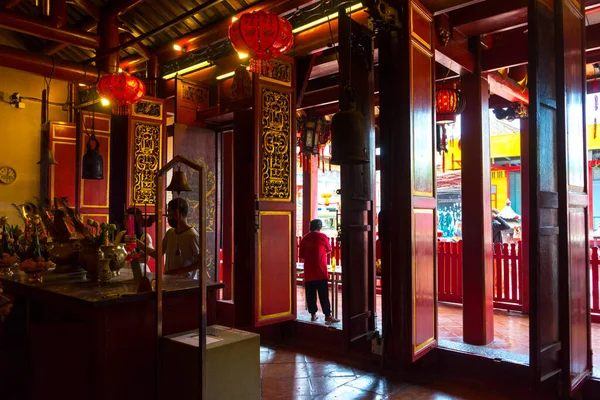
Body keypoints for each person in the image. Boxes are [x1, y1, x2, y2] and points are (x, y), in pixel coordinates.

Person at [138, 198, 200, 277]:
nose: (168, 215)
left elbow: (200, 263)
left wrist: (177, 271)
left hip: (186, 283)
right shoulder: (170, 233)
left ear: (177, 212)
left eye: (169, 211)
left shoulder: (192, 235)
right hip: (170, 281)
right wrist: (139, 244)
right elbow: (158, 254)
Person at [299, 219, 339, 323]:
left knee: (310, 295)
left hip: (309, 272)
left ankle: (313, 315)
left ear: (310, 227)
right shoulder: (322, 237)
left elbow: (302, 256)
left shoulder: (304, 238)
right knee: (324, 295)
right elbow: (329, 249)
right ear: (320, 227)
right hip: (321, 271)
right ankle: (327, 315)